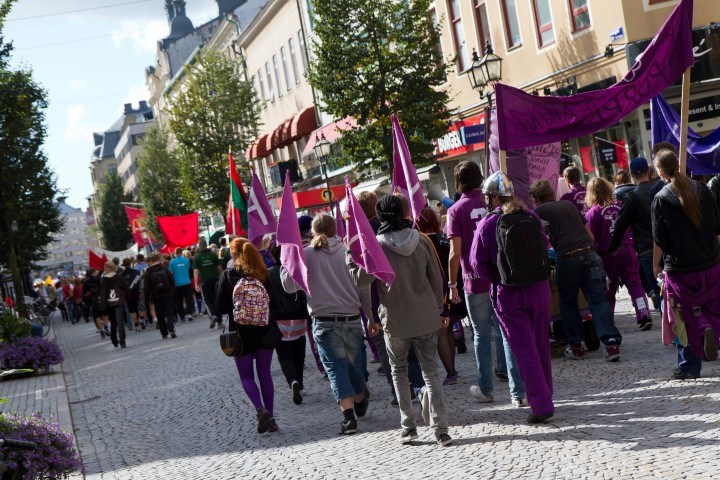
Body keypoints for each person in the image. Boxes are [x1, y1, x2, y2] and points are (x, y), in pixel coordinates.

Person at [349, 195, 452, 446]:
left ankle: (409, 426)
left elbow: (361, 281)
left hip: (395, 319)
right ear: (404, 213)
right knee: (431, 372)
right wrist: (439, 309)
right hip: (426, 315)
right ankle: (441, 429)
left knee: (399, 371)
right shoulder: (423, 240)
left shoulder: (377, 245)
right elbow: (436, 279)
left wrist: (354, 259)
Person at [470, 172, 554, 424]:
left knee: (524, 350)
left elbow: (477, 264)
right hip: (538, 289)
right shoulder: (532, 216)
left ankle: (540, 404)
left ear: (493, 197)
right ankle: (546, 396)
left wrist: (496, 274)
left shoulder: (487, 224)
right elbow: (546, 246)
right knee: (541, 345)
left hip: (507, 292)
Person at [281, 214, 373, 435]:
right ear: (335, 229)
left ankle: (349, 417)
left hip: (324, 321)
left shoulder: (306, 255)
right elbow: (363, 286)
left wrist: (290, 258)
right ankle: (358, 399)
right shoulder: (348, 252)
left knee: (337, 369)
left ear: (313, 232)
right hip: (351, 318)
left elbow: (288, 286)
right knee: (354, 366)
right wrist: (370, 315)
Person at [530, 179, 623, 362]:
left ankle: (576, 347)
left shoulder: (538, 213)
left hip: (567, 258)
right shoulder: (569, 205)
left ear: (535, 198)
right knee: (597, 300)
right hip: (589, 254)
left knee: (567, 302)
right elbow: (589, 235)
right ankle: (611, 344)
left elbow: (539, 243)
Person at [651, 150, 720, 379]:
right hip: (711, 263)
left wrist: (655, 266)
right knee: (715, 309)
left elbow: (659, 241)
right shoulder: (704, 190)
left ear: (660, 171)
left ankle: (689, 366)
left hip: (681, 270)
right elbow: (717, 229)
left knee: (681, 318)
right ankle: (708, 329)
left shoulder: (660, 199)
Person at [446, 160, 502, 403]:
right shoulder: (492, 201)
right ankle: (508, 374)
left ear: (458, 181)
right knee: (502, 328)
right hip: (498, 275)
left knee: (480, 334)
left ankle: (485, 385)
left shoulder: (455, 210)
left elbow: (454, 252)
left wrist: (452, 284)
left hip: (472, 278)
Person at [216, 238, 279, 433]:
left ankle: (260, 411)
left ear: (234, 255)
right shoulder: (263, 274)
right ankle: (272, 418)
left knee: (246, 376)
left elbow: (219, 306)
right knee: (265, 375)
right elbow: (274, 303)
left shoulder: (228, 275)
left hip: (241, 333)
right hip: (264, 331)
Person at [585, 177, 653, 330]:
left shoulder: (592, 213)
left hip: (607, 256)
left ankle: (608, 321)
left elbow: (592, 239)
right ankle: (644, 314)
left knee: (608, 290)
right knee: (635, 286)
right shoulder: (621, 205)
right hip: (627, 250)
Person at [608, 157, 661, 310]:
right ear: (648, 171)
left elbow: (620, 224)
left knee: (659, 290)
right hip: (666, 245)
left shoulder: (633, 197)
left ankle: (672, 330)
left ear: (632, 174)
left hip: (647, 249)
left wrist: (612, 247)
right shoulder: (658, 189)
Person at [266, 242, 308, 405]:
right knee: (299, 350)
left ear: (271, 255)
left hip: (279, 319)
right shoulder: (293, 270)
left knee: (284, 355)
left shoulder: (267, 274)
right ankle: (301, 383)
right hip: (298, 316)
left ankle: (292, 381)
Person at [144, 252, 177, 339]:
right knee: (169, 312)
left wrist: (147, 298)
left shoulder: (149, 271)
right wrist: (173, 289)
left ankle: (164, 332)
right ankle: (171, 329)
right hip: (167, 293)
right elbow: (171, 279)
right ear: (159, 259)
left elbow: (146, 286)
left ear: (152, 260)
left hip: (156, 295)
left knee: (160, 314)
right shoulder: (164, 268)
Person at [193, 238, 223, 329]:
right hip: (216, 280)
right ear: (206, 245)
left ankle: (213, 315)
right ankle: (220, 322)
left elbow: (195, 271)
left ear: (199, 246)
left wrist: (195, 284)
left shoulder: (197, 257)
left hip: (205, 281)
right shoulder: (213, 255)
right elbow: (219, 267)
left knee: (207, 300)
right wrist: (222, 277)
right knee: (216, 299)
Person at [99, 262, 129, 348]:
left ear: (108, 268)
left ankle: (114, 340)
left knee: (113, 323)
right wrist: (127, 298)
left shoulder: (104, 279)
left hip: (109, 303)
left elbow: (103, 293)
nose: (104, 269)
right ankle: (122, 342)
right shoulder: (119, 276)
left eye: (105, 267)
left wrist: (103, 305)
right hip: (119, 301)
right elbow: (125, 288)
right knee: (120, 322)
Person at [169, 247, 194, 323]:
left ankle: (182, 316)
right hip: (187, 282)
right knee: (189, 299)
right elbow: (188, 268)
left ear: (175, 253)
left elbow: (170, 273)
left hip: (177, 284)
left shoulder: (172, 262)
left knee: (179, 301)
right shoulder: (186, 260)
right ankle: (189, 314)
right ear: (182, 252)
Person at [120, 258, 143, 331]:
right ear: (130, 263)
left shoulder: (121, 275)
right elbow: (140, 282)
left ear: (124, 265)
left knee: (132, 310)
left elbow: (121, 286)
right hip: (137, 292)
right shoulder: (136, 272)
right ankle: (141, 320)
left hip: (128, 294)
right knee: (139, 306)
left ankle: (136, 325)